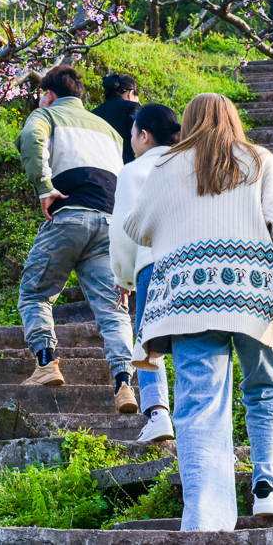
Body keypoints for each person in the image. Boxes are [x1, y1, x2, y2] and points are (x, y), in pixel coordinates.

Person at [123, 93, 273, 530]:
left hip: (189, 302)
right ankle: (267, 486)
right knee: (264, 387)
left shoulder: (163, 166)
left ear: (190, 122)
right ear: (233, 119)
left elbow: (137, 228)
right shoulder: (259, 160)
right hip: (257, 297)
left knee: (199, 404)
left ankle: (205, 514)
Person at [15, 65, 138, 414]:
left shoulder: (47, 115)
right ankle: (124, 384)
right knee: (113, 311)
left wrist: (44, 187)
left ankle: (45, 363)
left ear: (49, 94)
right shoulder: (108, 129)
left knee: (36, 292)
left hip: (71, 216)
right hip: (111, 224)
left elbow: (30, 140)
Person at [109, 104, 183, 443]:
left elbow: (124, 229)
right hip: (191, 263)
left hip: (150, 264)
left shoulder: (133, 171)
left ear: (144, 135)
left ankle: (158, 415)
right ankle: (189, 413)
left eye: (132, 134)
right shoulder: (189, 163)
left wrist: (123, 277)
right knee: (187, 339)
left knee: (148, 343)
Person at [92, 73, 141, 164]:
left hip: (97, 169)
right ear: (130, 94)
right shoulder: (132, 107)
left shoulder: (93, 113)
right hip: (124, 166)